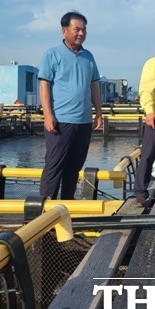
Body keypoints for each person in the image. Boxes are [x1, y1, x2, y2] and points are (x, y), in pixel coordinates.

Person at [38, 11, 103, 199]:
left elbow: (94, 85)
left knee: (74, 167)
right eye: (77, 29)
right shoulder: (52, 54)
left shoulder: (88, 56)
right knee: (54, 165)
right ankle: (44, 213)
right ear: (64, 30)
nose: (81, 33)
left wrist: (98, 112)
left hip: (83, 121)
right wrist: (48, 115)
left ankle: (67, 206)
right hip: (61, 120)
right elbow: (44, 85)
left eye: (84, 29)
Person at [133, 54, 155, 207]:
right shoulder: (152, 63)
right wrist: (149, 111)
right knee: (148, 154)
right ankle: (141, 192)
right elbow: (145, 90)